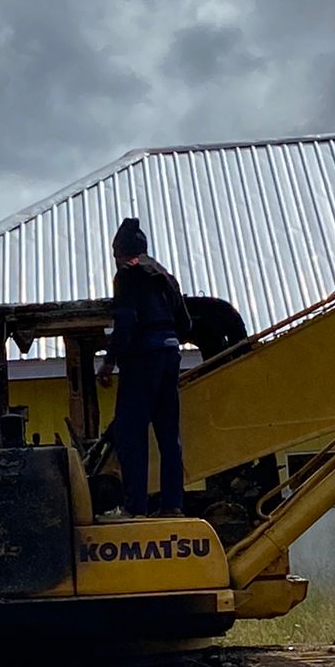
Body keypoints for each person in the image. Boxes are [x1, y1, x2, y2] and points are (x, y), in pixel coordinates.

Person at [98, 216, 192, 517]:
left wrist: (110, 361)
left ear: (119, 252)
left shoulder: (127, 274)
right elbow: (186, 323)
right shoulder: (165, 276)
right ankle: (172, 505)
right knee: (168, 435)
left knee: (131, 431)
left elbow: (126, 322)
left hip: (141, 360)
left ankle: (135, 506)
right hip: (170, 355)